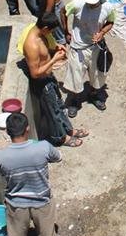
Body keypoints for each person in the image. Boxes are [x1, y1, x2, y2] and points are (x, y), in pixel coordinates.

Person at [18, 13, 88, 147]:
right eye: (50, 30)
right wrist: (54, 59)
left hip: (49, 78)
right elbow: (35, 73)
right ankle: (60, 138)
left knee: (59, 105)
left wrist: (55, 48)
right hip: (42, 83)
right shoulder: (31, 45)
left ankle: (69, 130)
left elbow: (45, 51)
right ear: (44, 28)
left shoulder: (40, 33)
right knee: (53, 111)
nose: (51, 33)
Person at [0, 112, 62, 236]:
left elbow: (0, 172)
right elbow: (58, 157)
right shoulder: (43, 147)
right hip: (42, 201)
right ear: (28, 129)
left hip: (16, 204)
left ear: (8, 131)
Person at [61, 0, 115, 117]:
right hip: (78, 48)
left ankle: (94, 95)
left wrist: (102, 33)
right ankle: (74, 101)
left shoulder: (108, 8)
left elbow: (111, 22)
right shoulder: (77, 4)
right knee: (75, 76)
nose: (90, 5)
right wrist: (66, 32)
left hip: (96, 48)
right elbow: (63, 11)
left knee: (97, 75)